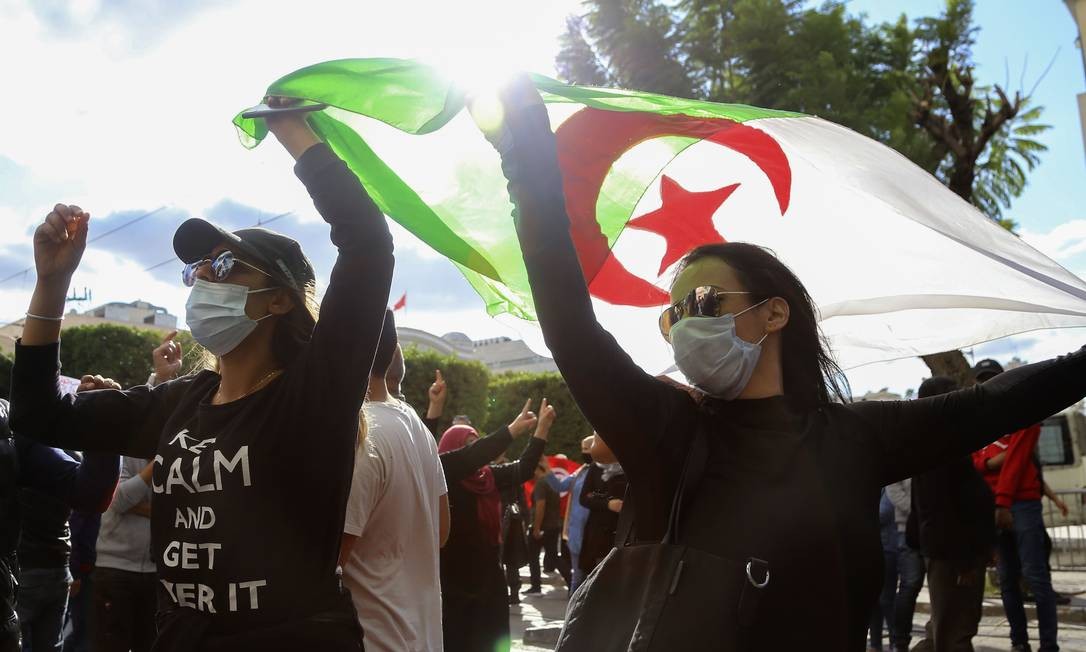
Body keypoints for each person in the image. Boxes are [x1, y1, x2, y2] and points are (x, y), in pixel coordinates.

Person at [479, 76, 1086, 649]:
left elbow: (998, 402)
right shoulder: (668, 431)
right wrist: (526, 155)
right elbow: (569, 324)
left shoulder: (858, 437)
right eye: (673, 316)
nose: (685, 324)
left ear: (774, 314)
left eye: (703, 302)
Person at [10, 95, 394, 650]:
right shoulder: (183, 401)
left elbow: (368, 243)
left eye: (222, 266)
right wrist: (52, 284)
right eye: (196, 271)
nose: (202, 281)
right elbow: (39, 413)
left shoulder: (312, 392)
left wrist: (292, 133)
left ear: (279, 300)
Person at [339, 309, 449, 652]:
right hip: (421, 636)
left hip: (375, 638)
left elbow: (325, 564)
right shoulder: (412, 420)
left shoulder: (362, 436)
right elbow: (441, 530)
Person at [437, 400, 553, 652]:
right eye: (468, 445)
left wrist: (541, 430)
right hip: (453, 578)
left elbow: (523, 469)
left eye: (476, 441)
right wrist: (512, 429)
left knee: (491, 639)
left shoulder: (487, 477)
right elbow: (473, 456)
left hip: (489, 576)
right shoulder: (444, 472)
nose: (475, 451)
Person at [971, 358, 1060, 652]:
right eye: (983, 380)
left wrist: (1001, 501)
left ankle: (1048, 644)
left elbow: (1017, 462)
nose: (988, 385)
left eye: (993, 378)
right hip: (996, 506)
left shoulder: (1025, 412)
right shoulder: (978, 420)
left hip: (1018, 504)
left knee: (1035, 576)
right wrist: (989, 462)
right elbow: (974, 463)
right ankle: (1018, 642)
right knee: (1007, 580)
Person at [908, 376, 995, 652]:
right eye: (955, 395)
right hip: (953, 555)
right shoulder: (940, 445)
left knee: (943, 628)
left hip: (949, 552)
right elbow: (941, 508)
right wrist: (965, 561)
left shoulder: (937, 441)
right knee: (955, 631)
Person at [16, 428, 119, 652]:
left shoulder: (20, 447)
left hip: (28, 568)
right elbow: (83, 517)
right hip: (57, 565)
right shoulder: (69, 458)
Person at [576, 433, 627, 577]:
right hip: (599, 535)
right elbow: (584, 498)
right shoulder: (595, 468)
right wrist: (607, 504)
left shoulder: (629, 466)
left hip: (622, 533)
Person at [546, 436, 593, 591]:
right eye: (583, 448)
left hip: (595, 537)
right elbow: (559, 486)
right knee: (577, 579)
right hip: (576, 536)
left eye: (587, 448)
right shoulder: (580, 472)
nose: (584, 452)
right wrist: (545, 468)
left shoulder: (609, 472)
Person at [885, 478, 924, 651]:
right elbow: (893, 490)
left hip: (934, 526)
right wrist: (920, 509)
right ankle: (899, 641)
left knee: (940, 583)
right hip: (907, 527)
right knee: (910, 585)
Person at [525, 461, 571, 595]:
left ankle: (536, 587)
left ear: (536, 470)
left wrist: (536, 527)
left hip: (543, 526)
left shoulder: (541, 484)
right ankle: (572, 582)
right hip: (553, 525)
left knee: (533, 556)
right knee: (554, 556)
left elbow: (540, 506)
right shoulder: (551, 482)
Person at [869, 488, 898, 652]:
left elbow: (883, 512)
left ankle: (896, 640)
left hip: (888, 548)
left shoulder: (890, 488)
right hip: (875, 548)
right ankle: (875, 644)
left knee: (886, 599)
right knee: (875, 600)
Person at [497, 458, 530, 606]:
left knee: (503, 559)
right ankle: (513, 592)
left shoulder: (490, 476)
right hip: (512, 523)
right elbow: (522, 503)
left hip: (503, 522)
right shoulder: (514, 478)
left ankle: (508, 592)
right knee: (511, 560)